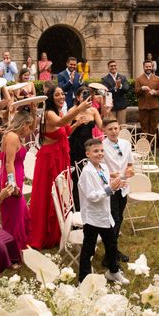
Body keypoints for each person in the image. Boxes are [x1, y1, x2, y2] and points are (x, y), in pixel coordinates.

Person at [29, 85, 91, 249]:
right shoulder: (49, 114)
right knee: (49, 194)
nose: (61, 96)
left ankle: (59, 229)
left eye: (62, 94)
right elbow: (61, 123)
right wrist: (79, 108)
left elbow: (65, 130)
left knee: (61, 192)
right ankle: (46, 232)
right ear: (50, 97)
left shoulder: (59, 112)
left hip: (60, 157)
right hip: (49, 160)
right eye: (57, 94)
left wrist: (77, 124)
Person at [77, 138, 129, 284]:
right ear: (87, 154)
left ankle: (113, 272)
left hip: (105, 215)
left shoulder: (104, 168)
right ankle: (84, 279)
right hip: (93, 217)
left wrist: (117, 185)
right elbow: (92, 196)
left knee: (112, 245)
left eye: (101, 150)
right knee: (89, 248)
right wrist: (110, 189)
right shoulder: (87, 173)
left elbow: (106, 186)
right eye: (95, 151)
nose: (100, 153)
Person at [0, 109, 35, 252]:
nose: (30, 130)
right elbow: (9, 163)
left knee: (19, 215)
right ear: (23, 124)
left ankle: (19, 248)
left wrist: (33, 109)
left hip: (17, 178)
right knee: (13, 219)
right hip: (11, 180)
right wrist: (12, 184)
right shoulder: (13, 137)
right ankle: (12, 252)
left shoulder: (14, 135)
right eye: (29, 125)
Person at [102, 119, 134, 263]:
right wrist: (111, 175)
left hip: (123, 186)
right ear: (104, 131)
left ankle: (113, 251)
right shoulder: (102, 146)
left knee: (119, 217)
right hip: (111, 187)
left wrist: (129, 169)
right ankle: (110, 254)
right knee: (113, 219)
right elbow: (100, 169)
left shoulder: (126, 144)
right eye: (110, 129)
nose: (114, 131)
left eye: (115, 128)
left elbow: (130, 163)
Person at [69, 85, 104, 209]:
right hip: (76, 147)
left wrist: (105, 108)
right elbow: (66, 132)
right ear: (78, 97)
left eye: (89, 95)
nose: (87, 98)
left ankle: (91, 204)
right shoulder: (72, 110)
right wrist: (76, 124)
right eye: (84, 95)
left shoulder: (93, 111)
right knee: (77, 178)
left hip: (89, 147)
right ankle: (77, 208)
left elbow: (102, 127)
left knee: (90, 175)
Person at [135, 60, 159, 135]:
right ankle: (145, 145)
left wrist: (155, 92)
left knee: (153, 127)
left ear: (152, 67)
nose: (148, 68)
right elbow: (136, 92)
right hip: (143, 107)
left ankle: (152, 144)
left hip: (154, 106)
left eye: (149, 66)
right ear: (143, 67)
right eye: (146, 66)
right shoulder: (139, 79)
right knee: (144, 127)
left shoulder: (157, 79)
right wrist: (142, 88)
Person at [101, 60, 129, 125]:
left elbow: (127, 89)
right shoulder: (104, 79)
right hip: (111, 106)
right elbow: (105, 92)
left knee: (122, 126)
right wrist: (115, 88)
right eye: (111, 66)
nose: (113, 67)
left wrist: (120, 86)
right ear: (108, 67)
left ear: (116, 66)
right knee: (112, 125)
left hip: (121, 105)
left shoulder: (123, 77)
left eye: (114, 66)